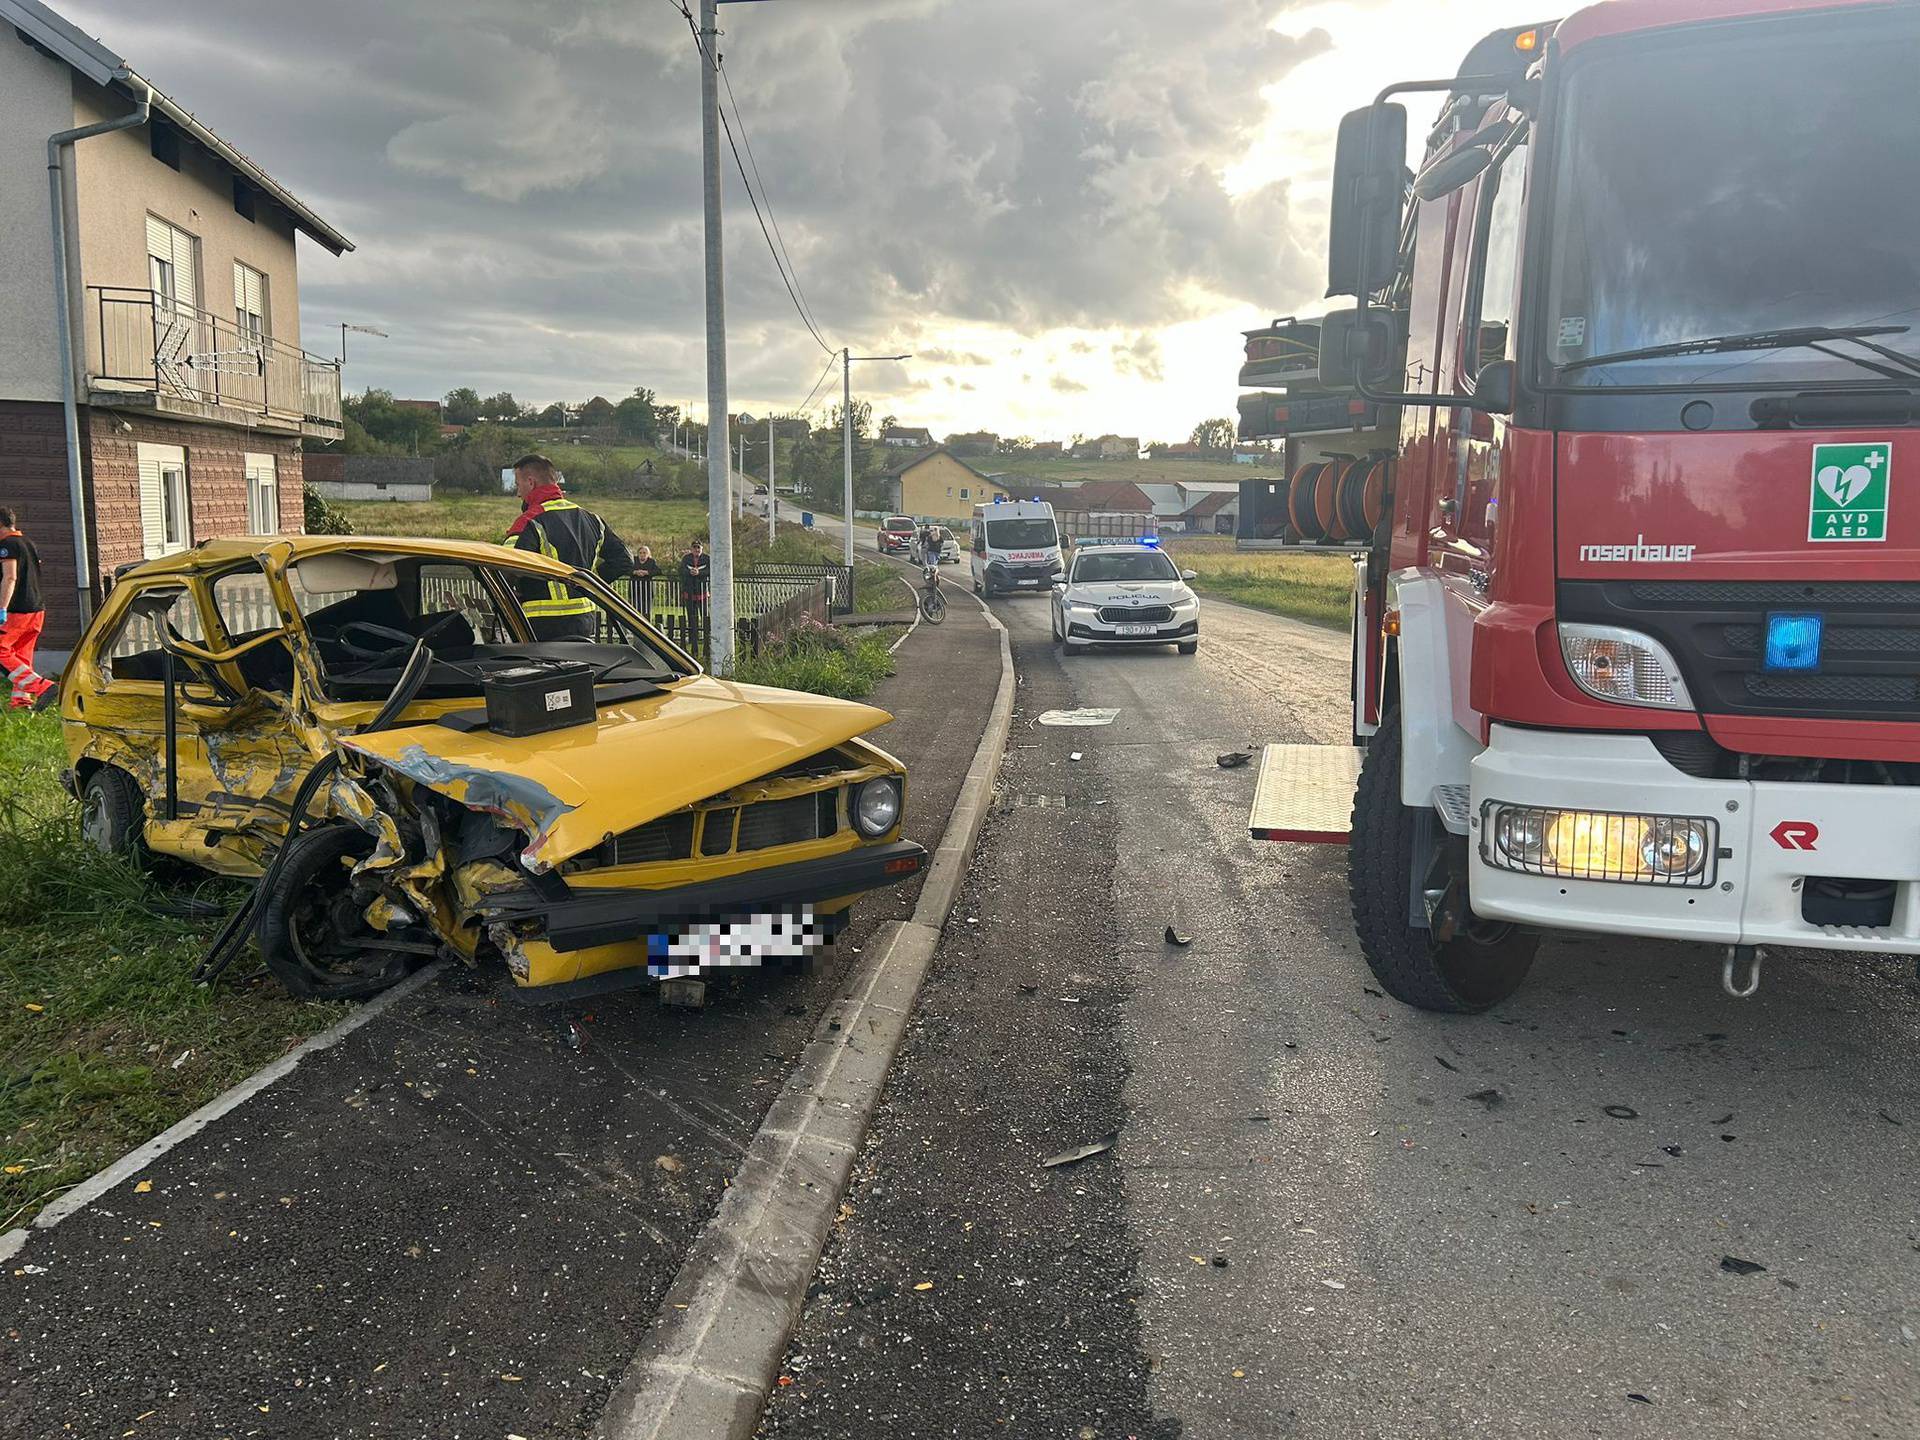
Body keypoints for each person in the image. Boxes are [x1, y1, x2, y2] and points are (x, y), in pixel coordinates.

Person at [503, 454, 634, 640]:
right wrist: (587, 585)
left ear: (530, 482)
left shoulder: (529, 521)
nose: (518, 493)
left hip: (540, 625)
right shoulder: (592, 519)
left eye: (518, 484)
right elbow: (624, 561)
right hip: (584, 621)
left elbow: (506, 570)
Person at [0, 509, 53, 710]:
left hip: (17, 610)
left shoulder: (7, 546)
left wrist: (2, 608)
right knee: (21, 655)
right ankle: (21, 701)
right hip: (36, 608)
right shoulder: (28, 543)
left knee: (2, 651)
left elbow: (10, 577)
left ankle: (43, 687)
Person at [680, 539, 712, 628]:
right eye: (694, 547)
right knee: (691, 616)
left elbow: (710, 570)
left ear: (702, 548)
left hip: (702, 591)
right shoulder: (686, 558)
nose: (696, 550)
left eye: (698, 547)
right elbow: (682, 570)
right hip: (689, 591)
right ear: (691, 548)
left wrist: (699, 572)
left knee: (705, 615)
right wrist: (690, 572)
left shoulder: (707, 558)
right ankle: (692, 636)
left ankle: (707, 635)